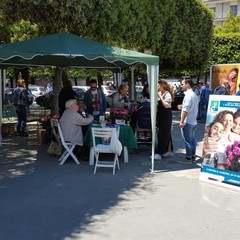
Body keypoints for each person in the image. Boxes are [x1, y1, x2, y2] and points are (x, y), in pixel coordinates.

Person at [178, 77, 198, 162]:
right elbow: (189, 107)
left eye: (182, 84)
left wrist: (182, 121)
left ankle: (189, 157)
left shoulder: (189, 95)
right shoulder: (193, 94)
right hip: (193, 121)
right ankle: (192, 155)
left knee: (188, 140)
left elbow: (186, 110)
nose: (181, 86)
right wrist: (182, 107)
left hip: (188, 121)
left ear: (187, 84)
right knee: (192, 139)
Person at [153, 79, 174, 160]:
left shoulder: (167, 94)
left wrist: (160, 96)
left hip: (166, 116)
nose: (157, 87)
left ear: (162, 86)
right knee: (162, 134)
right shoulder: (162, 93)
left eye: (158, 86)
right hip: (161, 116)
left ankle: (160, 152)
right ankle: (165, 150)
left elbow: (166, 105)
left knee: (163, 134)